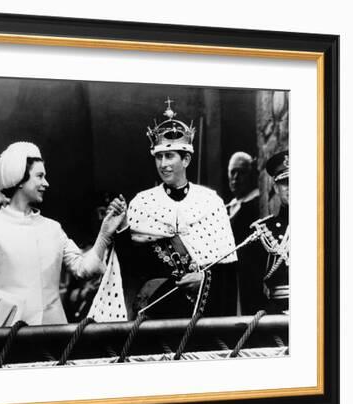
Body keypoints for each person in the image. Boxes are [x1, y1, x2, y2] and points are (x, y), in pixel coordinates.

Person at [91, 99, 237, 321]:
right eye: (159, 157)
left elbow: (228, 269)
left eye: (169, 156)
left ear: (186, 159)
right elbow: (132, 267)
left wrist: (204, 279)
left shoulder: (210, 202)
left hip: (202, 310)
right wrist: (122, 227)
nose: (163, 164)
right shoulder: (142, 202)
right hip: (158, 309)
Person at [0, 141, 124, 326]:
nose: (46, 183)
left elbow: (83, 269)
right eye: (39, 176)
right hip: (6, 337)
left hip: (53, 336)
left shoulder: (53, 228)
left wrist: (104, 234)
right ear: (19, 179)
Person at [225, 152, 267, 315]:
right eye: (232, 172)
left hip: (250, 277)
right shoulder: (229, 207)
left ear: (251, 175)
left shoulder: (256, 203)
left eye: (241, 173)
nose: (235, 178)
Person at [258, 150, 290, 314]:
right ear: (276, 188)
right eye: (286, 182)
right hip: (278, 316)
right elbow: (252, 289)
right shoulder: (264, 231)